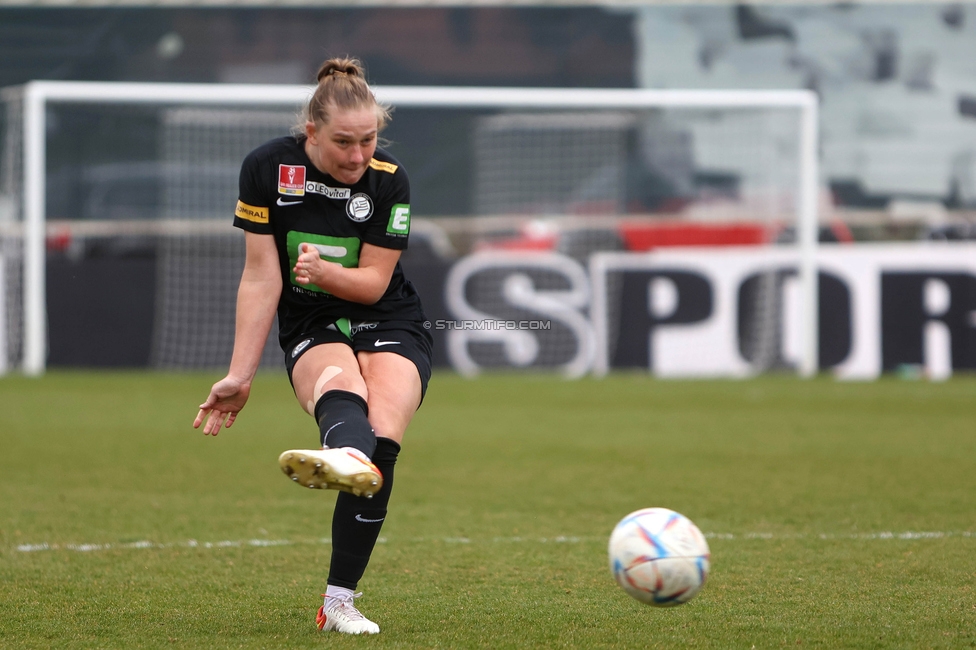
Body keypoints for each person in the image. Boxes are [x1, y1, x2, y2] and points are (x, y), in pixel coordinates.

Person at [192, 57, 432, 636]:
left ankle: (339, 601)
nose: (357, 156)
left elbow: (374, 283)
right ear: (312, 133)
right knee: (340, 390)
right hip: (311, 317)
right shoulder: (268, 168)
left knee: (386, 433)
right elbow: (260, 275)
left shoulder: (389, 177)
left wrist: (322, 271)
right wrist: (239, 375)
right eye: (343, 142)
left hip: (388, 314)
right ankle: (347, 454)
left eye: (368, 139)